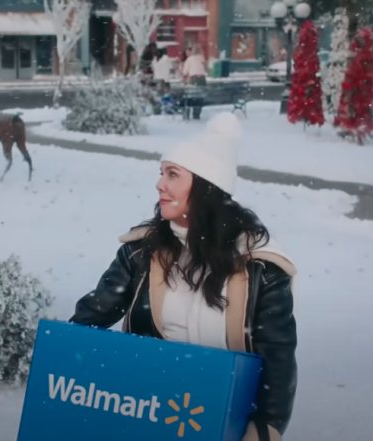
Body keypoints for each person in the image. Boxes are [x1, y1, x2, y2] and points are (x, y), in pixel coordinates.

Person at [71, 113, 297, 441]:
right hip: (146, 416)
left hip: (225, 426)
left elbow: (277, 366)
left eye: (173, 174)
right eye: (161, 173)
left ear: (206, 187)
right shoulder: (142, 252)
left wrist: (263, 431)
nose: (160, 184)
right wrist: (58, 360)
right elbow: (90, 319)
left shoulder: (261, 268)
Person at [181, 45, 207, 119]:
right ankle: (196, 114)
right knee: (199, 96)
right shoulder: (202, 58)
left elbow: (184, 72)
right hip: (202, 80)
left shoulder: (189, 59)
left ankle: (187, 114)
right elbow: (206, 70)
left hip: (194, 79)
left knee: (190, 96)